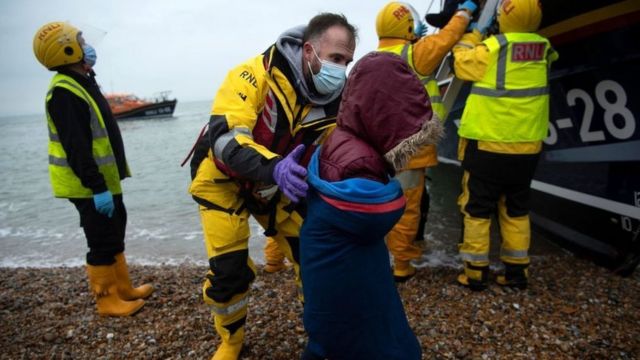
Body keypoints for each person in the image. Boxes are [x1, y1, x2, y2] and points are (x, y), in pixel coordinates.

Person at [187, 13, 356, 359]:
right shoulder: (254, 73)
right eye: (335, 58)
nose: (341, 69)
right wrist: (275, 168)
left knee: (316, 258)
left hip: (280, 185)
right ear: (309, 50)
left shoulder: (337, 102)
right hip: (224, 180)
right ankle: (231, 341)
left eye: (347, 61)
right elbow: (226, 137)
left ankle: (321, 335)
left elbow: (341, 151)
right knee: (229, 271)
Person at [300, 51, 442, 359]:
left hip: (327, 266)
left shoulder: (340, 137)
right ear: (385, 113)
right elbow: (376, 213)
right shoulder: (362, 161)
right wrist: (393, 188)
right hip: (347, 273)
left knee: (329, 336)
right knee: (378, 342)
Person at [32, 22, 154, 316]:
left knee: (116, 230)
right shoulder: (63, 92)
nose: (87, 45)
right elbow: (76, 147)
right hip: (88, 184)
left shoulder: (83, 80)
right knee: (100, 238)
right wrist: (97, 187)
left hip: (105, 181)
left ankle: (123, 288)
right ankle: (107, 300)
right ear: (66, 49)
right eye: (81, 41)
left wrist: (106, 183)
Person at [452, 0, 558, 290]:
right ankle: (516, 272)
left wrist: (474, 35)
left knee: (477, 208)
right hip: (527, 149)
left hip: (488, 145)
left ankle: (474, 272)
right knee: (516, 209)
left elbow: (460, 63)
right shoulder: (545, 50)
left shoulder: (493, 48)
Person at [375, 0, 477, 281]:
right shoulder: (416, 53)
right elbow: (448, 37)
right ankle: (402, 265)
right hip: (411, 152)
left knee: (382, 204)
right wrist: (464, 13)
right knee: (407, 210)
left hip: (380, 151)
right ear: (407, 26)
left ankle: (380, 256)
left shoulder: (373, 60)